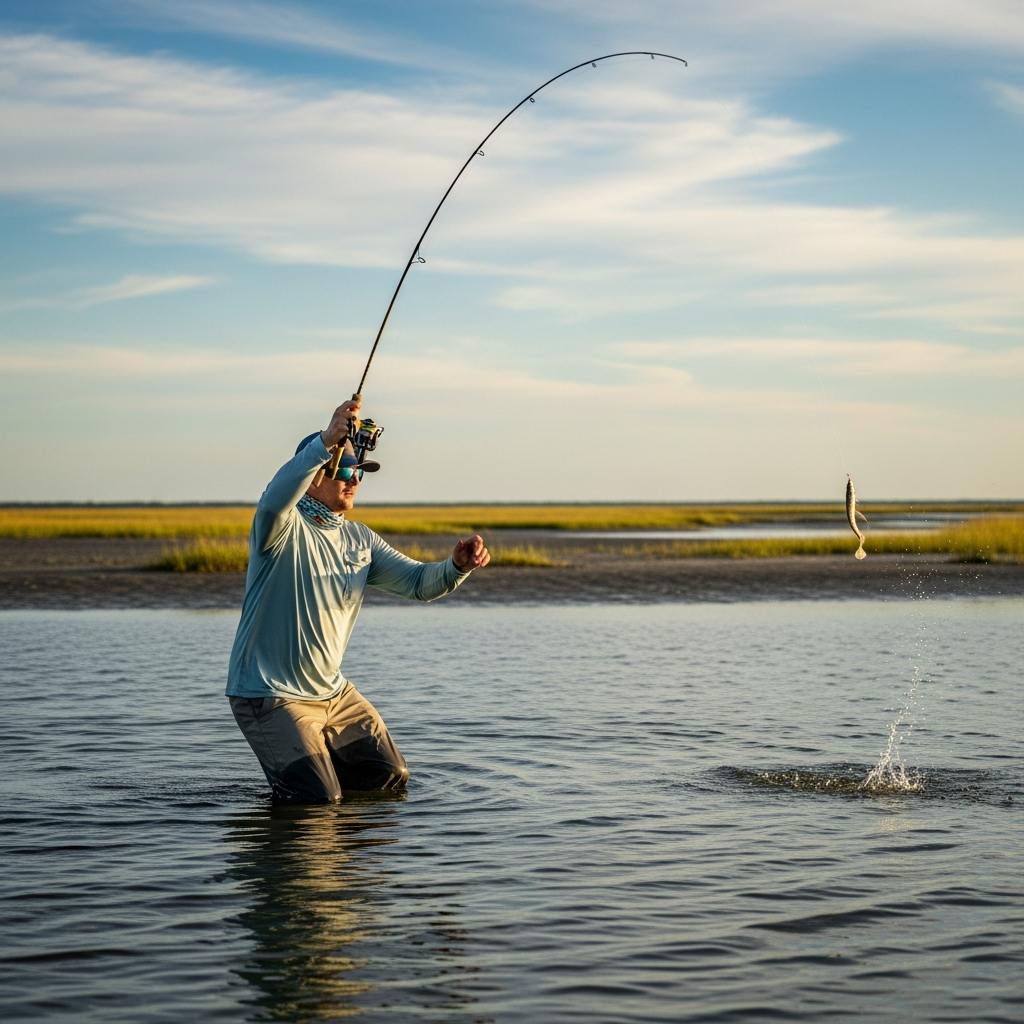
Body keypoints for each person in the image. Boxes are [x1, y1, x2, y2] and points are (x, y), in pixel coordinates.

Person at [226, 399, 489, 802]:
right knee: (317, 799)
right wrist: (323, 441)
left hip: (333, 695)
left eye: (360, 471)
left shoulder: (360, 539)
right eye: (346, 470)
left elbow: (419, 582)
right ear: (314, 476)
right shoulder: (280, 526)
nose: (355, 480)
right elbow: (274, 499)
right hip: (271, 696)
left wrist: (456, 566)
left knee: (390, 776)